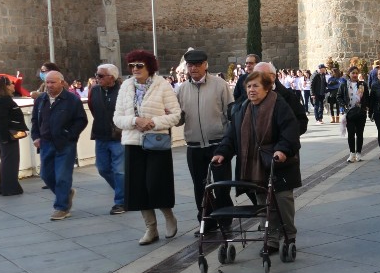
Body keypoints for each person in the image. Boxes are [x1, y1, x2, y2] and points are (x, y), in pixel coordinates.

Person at [212, 71, 302, 254]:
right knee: (263, 203)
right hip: (255, 167)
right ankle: (271, 240)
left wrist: (282, 149)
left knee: (283, 201)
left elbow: (290, 131)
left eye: (255, 86)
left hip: (277, 164)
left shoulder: (279, 105)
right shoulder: (241, 108)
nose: (251, 90)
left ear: (267, 88)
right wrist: (222, 153)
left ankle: (289, 234)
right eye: (248, 86)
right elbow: (231, 136)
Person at [114, 50, 182, 245]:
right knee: (138, 188)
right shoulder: (126, 86)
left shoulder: (162, 85)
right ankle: (150, 228)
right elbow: (117, 118)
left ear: (149, 67)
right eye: (131, 65)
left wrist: (152, 122)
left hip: (156, 143)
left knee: (156, 183)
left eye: (139, 65)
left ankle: (168, 216)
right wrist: (135, 120)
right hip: (133, 142)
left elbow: (176, 115)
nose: (135, 69)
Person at [175, 49, 233, 220]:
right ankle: (206, 219)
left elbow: (230, 113)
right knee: (200, 186)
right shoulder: (181, 89)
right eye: (190, 65)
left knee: (222, 184)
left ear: (205, 65)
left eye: (197, 65)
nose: (193, 68)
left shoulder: (220, 85)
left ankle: (225, 217)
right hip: (194, 146)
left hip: (218, 144)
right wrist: (172, 116)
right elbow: (179, 120)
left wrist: (229, 142)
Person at [31, 70, 88, 220]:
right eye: (47, 82)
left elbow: (81, 120)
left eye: (52, 82)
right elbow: (35, 121)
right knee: (46, 175)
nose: (49, 85)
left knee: (62, 176)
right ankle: (66, 194)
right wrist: (35, 137)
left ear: (61, 83)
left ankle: (61, 207)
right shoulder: (41, 99)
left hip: (65, 144)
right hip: (46, 143)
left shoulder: (71, 100)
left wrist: (70, 135)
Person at [88, 64, 126, 214]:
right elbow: (92, 108)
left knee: (119, 170)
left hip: (118, 136)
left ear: (112, 77)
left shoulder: (123, 91)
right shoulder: (94, 90)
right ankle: (125, 191)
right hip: (100, 135)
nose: (97, 78)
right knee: (103, 169)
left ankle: (121, 201)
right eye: (97, 75)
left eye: (101, 76)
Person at [0, 76, 26, 196]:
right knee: (10, 161)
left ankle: (4, 187)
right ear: (6, 86)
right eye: (12, 83)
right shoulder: (5, 100)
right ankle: (10, 188)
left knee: (6, 160)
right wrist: (4, 138)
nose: (14, 85)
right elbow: (2, 119)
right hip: (6, 133)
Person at [252, 62, 309, 135]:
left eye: (261, 75)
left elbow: (301, 122)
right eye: (254, 75)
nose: (257, 78)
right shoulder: (247, 98)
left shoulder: (288, 97)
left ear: (273, 77)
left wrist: (285, 139)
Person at [336, 66, 368, 162]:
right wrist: (344, 105)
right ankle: (352, 153)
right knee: (351, 133)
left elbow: (367, 97)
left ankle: (358, 153)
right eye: (352, 73)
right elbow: (339, 96)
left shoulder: (362, 85)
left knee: (359, 133)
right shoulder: (344, 85)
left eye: (356, 73)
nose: (354, 75)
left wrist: (364, 105)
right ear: (349, 74)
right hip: (349, 112)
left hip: (360, 112)